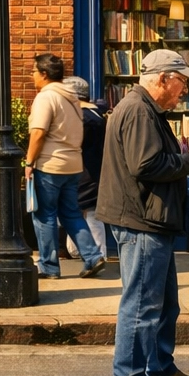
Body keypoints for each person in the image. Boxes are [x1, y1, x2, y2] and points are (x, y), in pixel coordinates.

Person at [97, 49, 189, 376]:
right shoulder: (139, 111)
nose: (183, 92)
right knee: (143, 302)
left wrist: (184, 159)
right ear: (162, 79)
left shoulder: (143, 109)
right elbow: (146, 165)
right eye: (181, 83)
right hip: (142, 219)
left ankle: (160, 367)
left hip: (149, 218)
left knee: (163, 302)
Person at [24, 55, 106, 280]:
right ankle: (93, 256)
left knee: (44, 215)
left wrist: (29, 162)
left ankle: (48, 266)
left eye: (33, 71)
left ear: (44, 74)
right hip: (73, 165)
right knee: (71, 212)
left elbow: (38, 132)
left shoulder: (46, 97)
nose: (32, 76)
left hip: (50, 164)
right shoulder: (73, 99)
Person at [64, 76, 108, 259]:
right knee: (86, 212)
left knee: (89, 213)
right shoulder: (96, 115)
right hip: (94, 172)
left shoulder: (83, 118)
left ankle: (96, 253)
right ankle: (85, 250)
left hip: (85, 172)